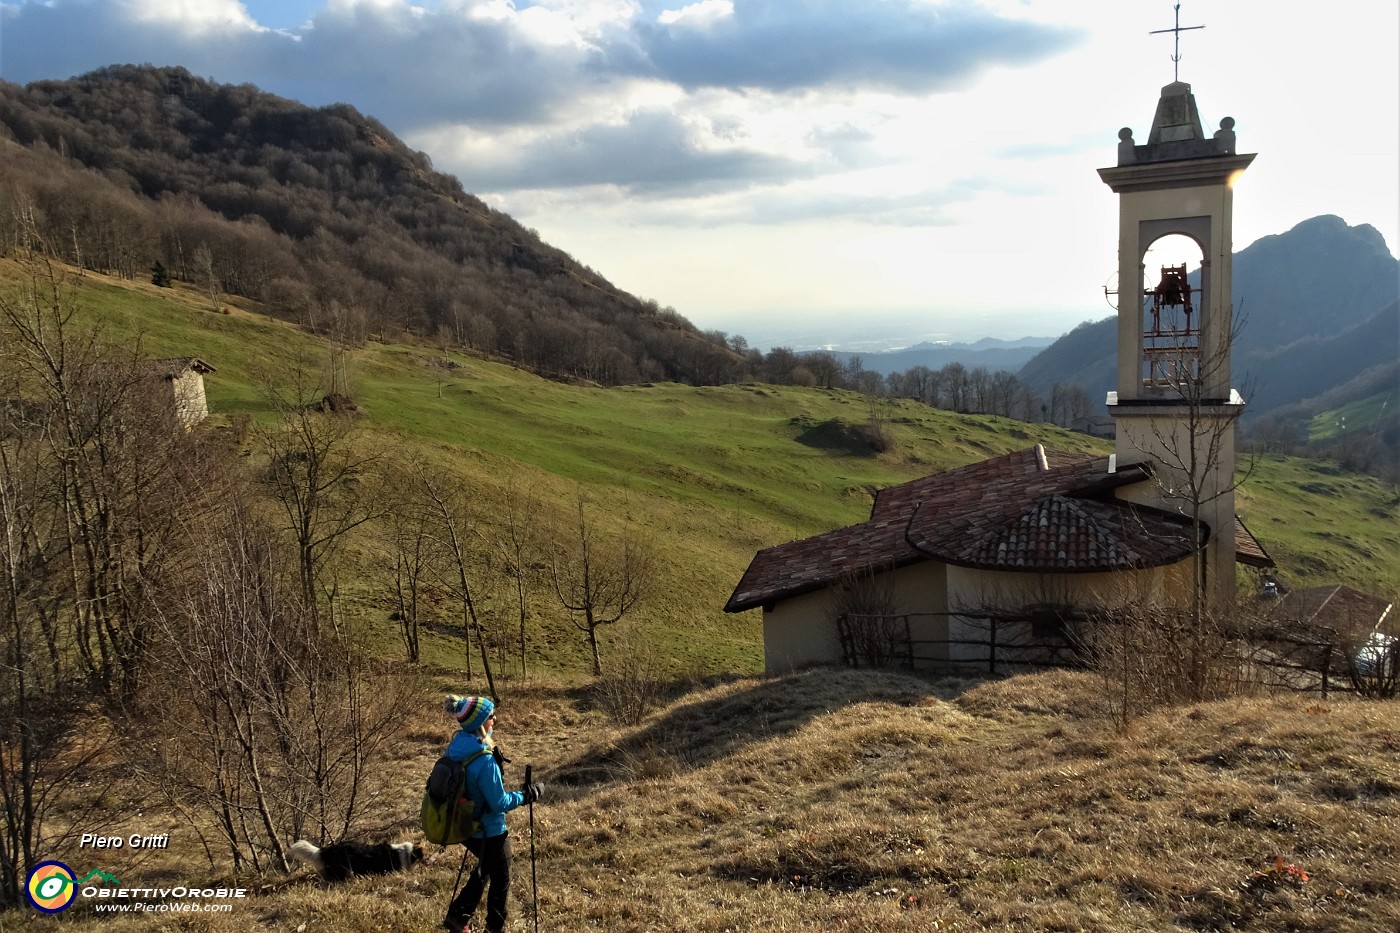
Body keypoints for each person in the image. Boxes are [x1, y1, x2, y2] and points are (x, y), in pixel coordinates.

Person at [440, 695, 543, 933]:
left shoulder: (457, 746)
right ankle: (494, 928)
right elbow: (498, 802)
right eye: (490, 716)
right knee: (501, 878)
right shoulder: (484, 761)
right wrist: (527, 795)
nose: (494, 719)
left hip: (466, 825)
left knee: (487, 868)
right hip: (489, 830)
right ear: (479, 723)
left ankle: (457, 916)